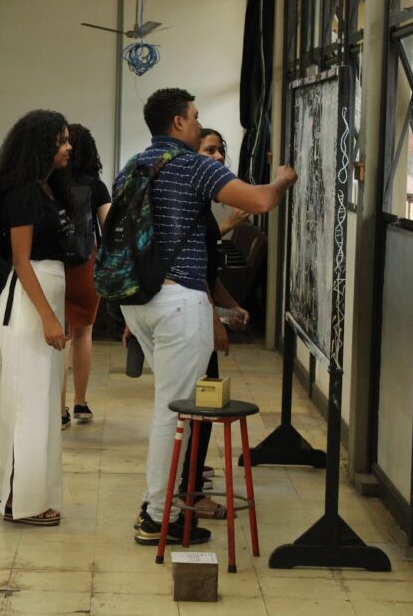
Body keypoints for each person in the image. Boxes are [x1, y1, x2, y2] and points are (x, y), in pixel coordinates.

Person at [118, 88, 297, 546]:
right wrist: (282, 179)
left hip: (136, 300)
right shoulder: (192, 164)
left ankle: (159, 506)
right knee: (173, 411)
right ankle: (157, 516)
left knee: (168, 404)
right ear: (178, 123)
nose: (199, 126)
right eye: (195, 117)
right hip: (178, 300)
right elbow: (259, 201)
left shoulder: (133, 165)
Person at [0, 109, 76, 526]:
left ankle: (9, 486)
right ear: (41, 145)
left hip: (43, 299)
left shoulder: (47, 187)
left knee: (36, 401)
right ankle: (20, 502)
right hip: (28, 302)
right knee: (30, 404)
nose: (68, 147)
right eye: (61, 140)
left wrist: (58, 314)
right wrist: (47, 317)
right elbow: (22, 262)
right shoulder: (22, 191)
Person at [176, 128, 251, 520]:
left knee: (202, 406)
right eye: (209, 150)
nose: (219, 157)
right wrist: (214, 323)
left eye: (221, 150)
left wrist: (231, 305)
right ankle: (188, 492)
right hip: (189, 319)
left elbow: (208, 272)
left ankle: (189, 478)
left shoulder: (203, 206)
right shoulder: (189, 204)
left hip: (198, 313)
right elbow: (191, 276)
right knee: (198, 408)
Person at [60, 124, 111, 430]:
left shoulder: (52, 182)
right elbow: (110, 227)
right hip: (85, 265)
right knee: (83, 333)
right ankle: (81, 402)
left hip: (55, 267)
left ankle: (59, 410)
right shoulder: (96, 186)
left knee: (61, 337)